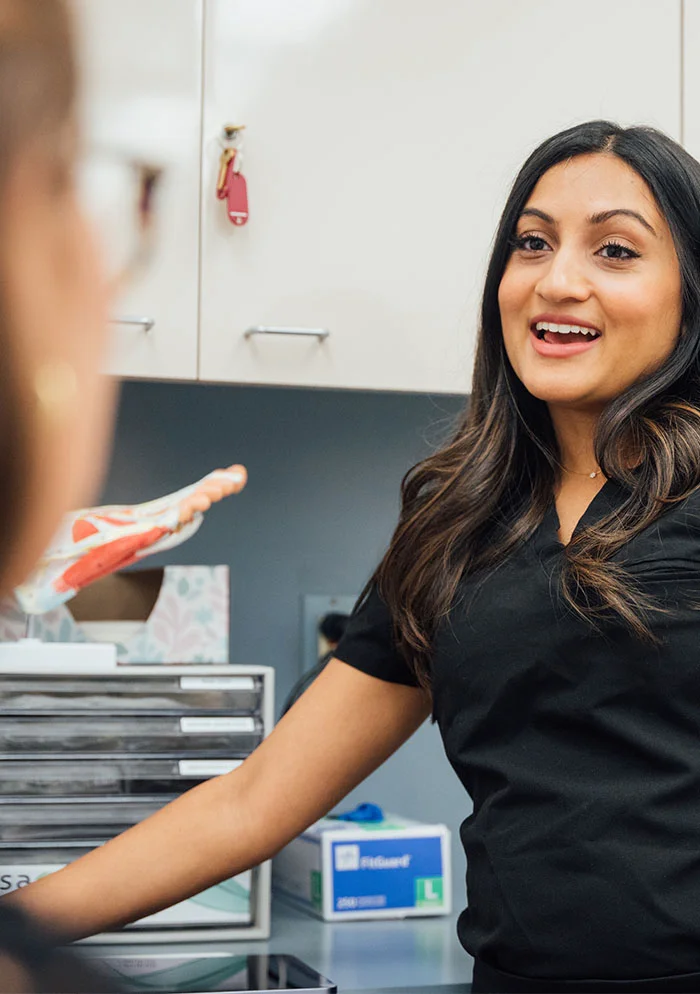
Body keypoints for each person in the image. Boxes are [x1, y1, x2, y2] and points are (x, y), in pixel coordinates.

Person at [4, 5, 700, 994]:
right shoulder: (459, 530)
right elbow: (253, 801)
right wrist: (18, 927)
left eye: (615, 252)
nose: (557, 280)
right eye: (531, 244)